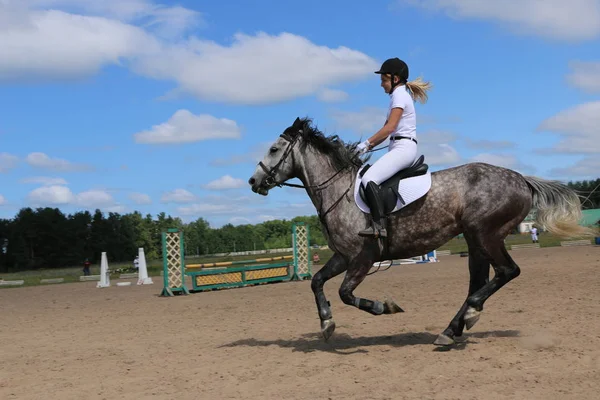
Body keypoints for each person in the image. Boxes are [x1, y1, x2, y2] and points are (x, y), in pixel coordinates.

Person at [355, 57, 432, 238]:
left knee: (369, 179)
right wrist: (367, 146)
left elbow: (389, 128)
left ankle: (379, 226)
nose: (381, 84)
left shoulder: (399, 95)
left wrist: (366, 145)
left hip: (403, 148)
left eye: (384, 80)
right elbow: (386, 131)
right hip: (398, 145)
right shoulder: (398, 95)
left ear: (395, 79)